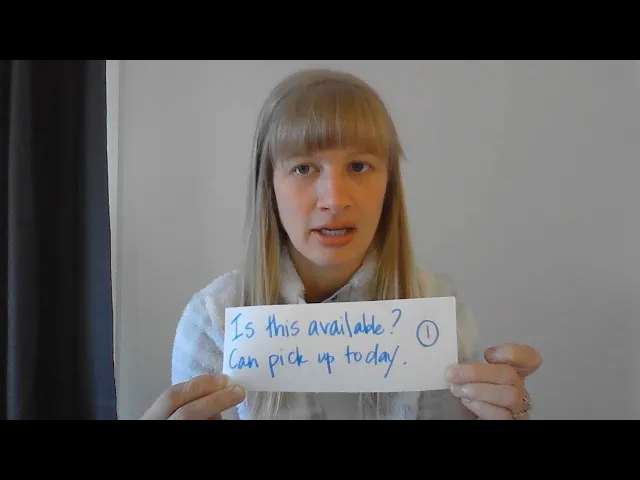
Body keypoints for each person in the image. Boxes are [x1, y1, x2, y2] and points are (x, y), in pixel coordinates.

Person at [141, 67, 542, 420]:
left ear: (388, 184)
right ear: (269, 187)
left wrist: (506, 413)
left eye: (359, 166)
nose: (334, 199)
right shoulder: (213, 320)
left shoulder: (440, 310)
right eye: (303, 168)